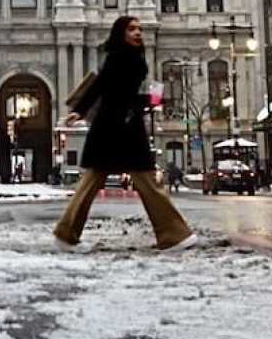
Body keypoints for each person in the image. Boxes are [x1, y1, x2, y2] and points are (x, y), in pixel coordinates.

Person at [54, 16, 195, 252]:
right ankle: (174, 234)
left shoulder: (130, 58)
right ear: (121, 33)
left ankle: (66, 234)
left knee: (102, 182)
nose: (138, 32)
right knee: (143, 182)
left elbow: (118, 92)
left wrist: (147, 102)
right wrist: (79, 110)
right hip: (118, 126)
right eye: (132, 29)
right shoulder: (119, 58)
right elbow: (103, 87)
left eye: (139, 29)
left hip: (117, 124)